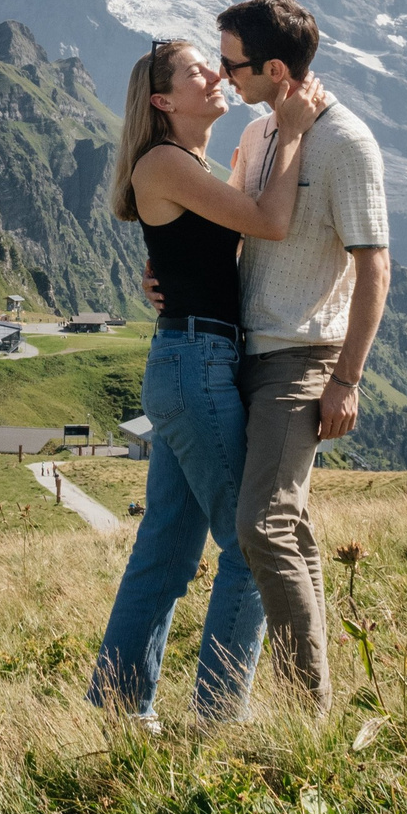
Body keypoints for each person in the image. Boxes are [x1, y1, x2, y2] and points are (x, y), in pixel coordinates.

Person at [88, 37, 323, 724]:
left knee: (165, 551)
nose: (216, 73)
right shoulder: (165, 160)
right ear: (164, 101)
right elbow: (270, 221)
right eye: (197, 71)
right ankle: (218, 719)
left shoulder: (186, 163)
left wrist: (168, 273)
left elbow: (227, 252)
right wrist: (295, 132)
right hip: (197, 364)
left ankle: (119, 712)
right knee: (250, 545)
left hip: (187, 359)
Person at [216, 0, 390, 703]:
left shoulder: (347, 141)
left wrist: (346, 378)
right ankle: (311, 699)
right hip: (243, 354)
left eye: (234, 65)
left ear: (275, 67)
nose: (226, 78)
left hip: (300, 357)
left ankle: (302, 708)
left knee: (264, 522)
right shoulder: (260, 136)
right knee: (288, 523)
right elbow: (236, 228)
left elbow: (375, 265)